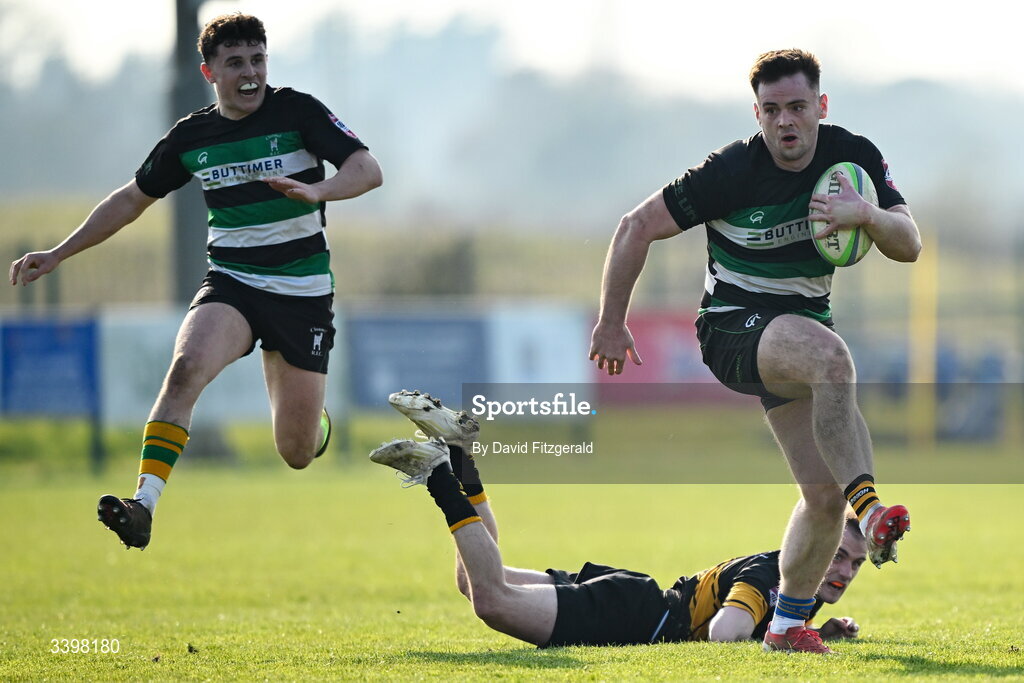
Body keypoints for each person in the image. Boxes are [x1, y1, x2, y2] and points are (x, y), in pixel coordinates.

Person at [8, 13, 382, 550]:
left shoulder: (299, 111)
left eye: (257, 59)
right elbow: (131, 199)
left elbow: (368, 170)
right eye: (235, 63)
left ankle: (312, 417)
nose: (249, 73)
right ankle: (144, 504)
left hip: (301, 295)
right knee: (185, 369)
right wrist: (61, 252)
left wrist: (317, 193)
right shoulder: (192, 135)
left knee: (296, 452)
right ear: (209, 72)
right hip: (233, 283)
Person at [587, 49, 919, 652]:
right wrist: (612, 321)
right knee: (833, 361)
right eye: (772, 110)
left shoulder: (854, 159)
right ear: (757, 113)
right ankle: (868, 512)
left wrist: (864, 213)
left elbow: (910, 243)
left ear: (820, 105)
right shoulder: (732, 170)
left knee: (820, 497)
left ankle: (788, 626)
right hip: (732, 327)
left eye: (797, 107)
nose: (785, 122)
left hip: (799, 328)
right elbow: (635, 226)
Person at [372, 391, 865, 652]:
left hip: (642, 599)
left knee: (475, 582)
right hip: (640, 618)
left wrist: (820, 631)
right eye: (837, 555)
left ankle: (460, 456)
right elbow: (724, 633)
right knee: (491, 600)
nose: (842, 570)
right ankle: (440, 476)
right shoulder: (772, 578)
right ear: (812, 546)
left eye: (855, 565)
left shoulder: (793, 588)